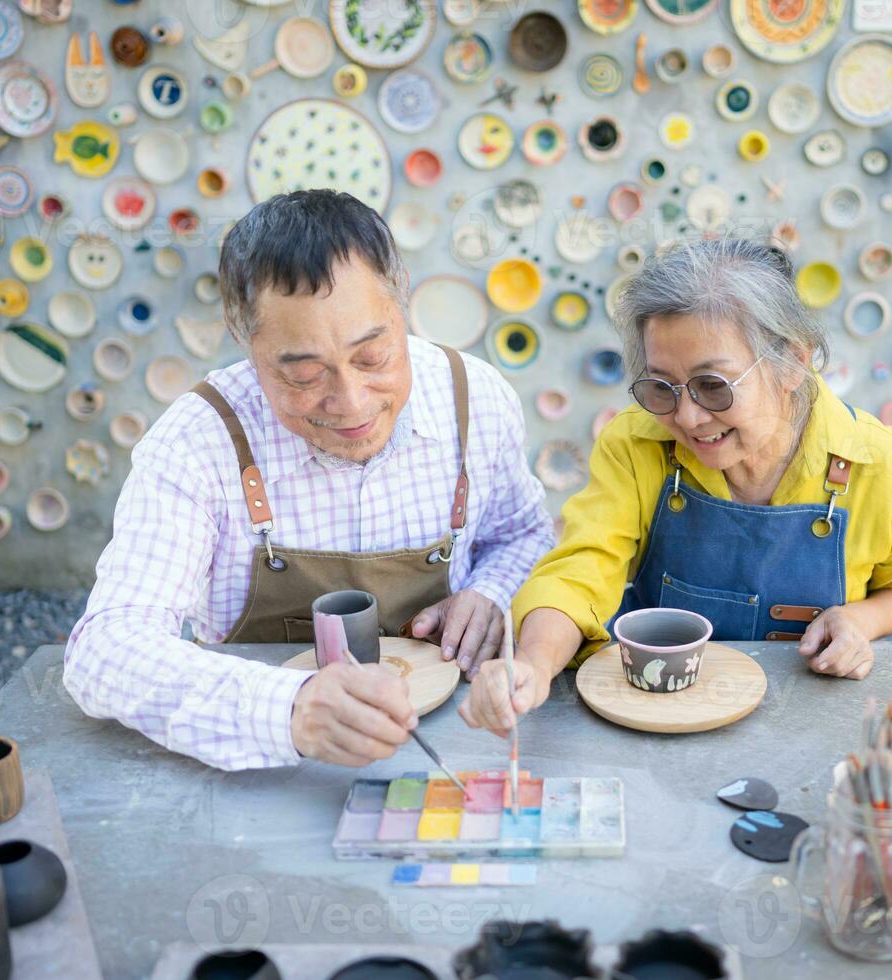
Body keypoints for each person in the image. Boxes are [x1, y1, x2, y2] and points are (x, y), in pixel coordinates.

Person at [65, 190, 554, 769]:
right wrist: (287, 710)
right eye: (303, 374)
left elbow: (525, 535)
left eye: (373, 357)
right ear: (244, 340)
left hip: (458, 739)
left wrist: (491, 590)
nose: (350, 403)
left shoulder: (474, 399)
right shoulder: (196, 443)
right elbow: (104, 649)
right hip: (263, 757)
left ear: (401, 303)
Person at [460, 237, 892, 735]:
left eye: (713, 385)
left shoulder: (885, 463)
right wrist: (533, 664)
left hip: (811, 721)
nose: (688, 417)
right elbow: (580, 571)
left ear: (792, 363)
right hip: (657, 712)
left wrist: (861, 621)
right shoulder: (637, 443)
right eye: (662, 387)